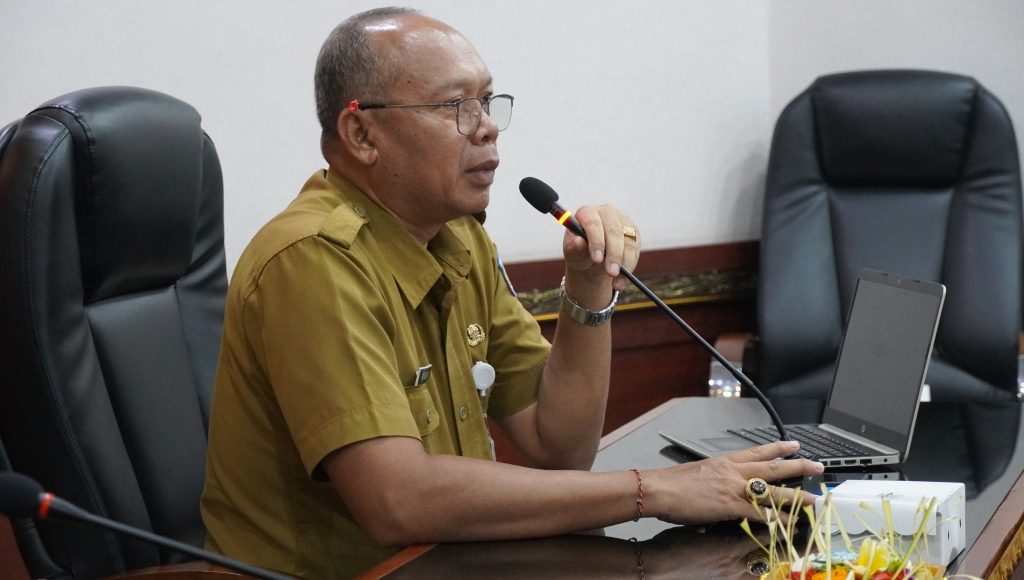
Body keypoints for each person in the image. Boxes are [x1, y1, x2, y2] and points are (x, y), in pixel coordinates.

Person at [200, 7, 824, 578]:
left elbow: (559, 446)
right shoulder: (313, 260)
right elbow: (397, 501)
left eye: (488, 102)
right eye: (456, 107)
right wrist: (654, 489)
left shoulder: (458, 240)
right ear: (361, 133)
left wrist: (588, 287)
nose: (488, 129)